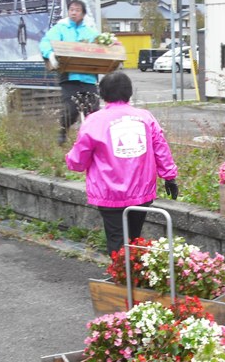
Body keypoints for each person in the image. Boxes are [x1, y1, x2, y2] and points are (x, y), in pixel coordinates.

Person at [65, 71, 179, 256]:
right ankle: (134, 277)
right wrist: (169, 177)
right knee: (134, 238)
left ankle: (123, 279)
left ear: (102, 94)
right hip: (141, 191)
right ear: (129, 92)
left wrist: (71, 161)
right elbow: (161, 148)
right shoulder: (145, 117)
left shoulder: (95, 120)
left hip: (109, 192)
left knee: (117, 239)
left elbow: (78, 159)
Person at [39, 0, 100, 146]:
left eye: (77, 10)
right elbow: (45, 42)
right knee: (71, 109)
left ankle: (92, 140)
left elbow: (102, 46)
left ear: (83, 13)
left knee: (93, 111)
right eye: (71, 9)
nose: (73, 12)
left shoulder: (90, 31)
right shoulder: (61, 28)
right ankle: (62, 131)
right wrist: (50, 54)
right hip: (69, 77)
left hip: (89, 78)